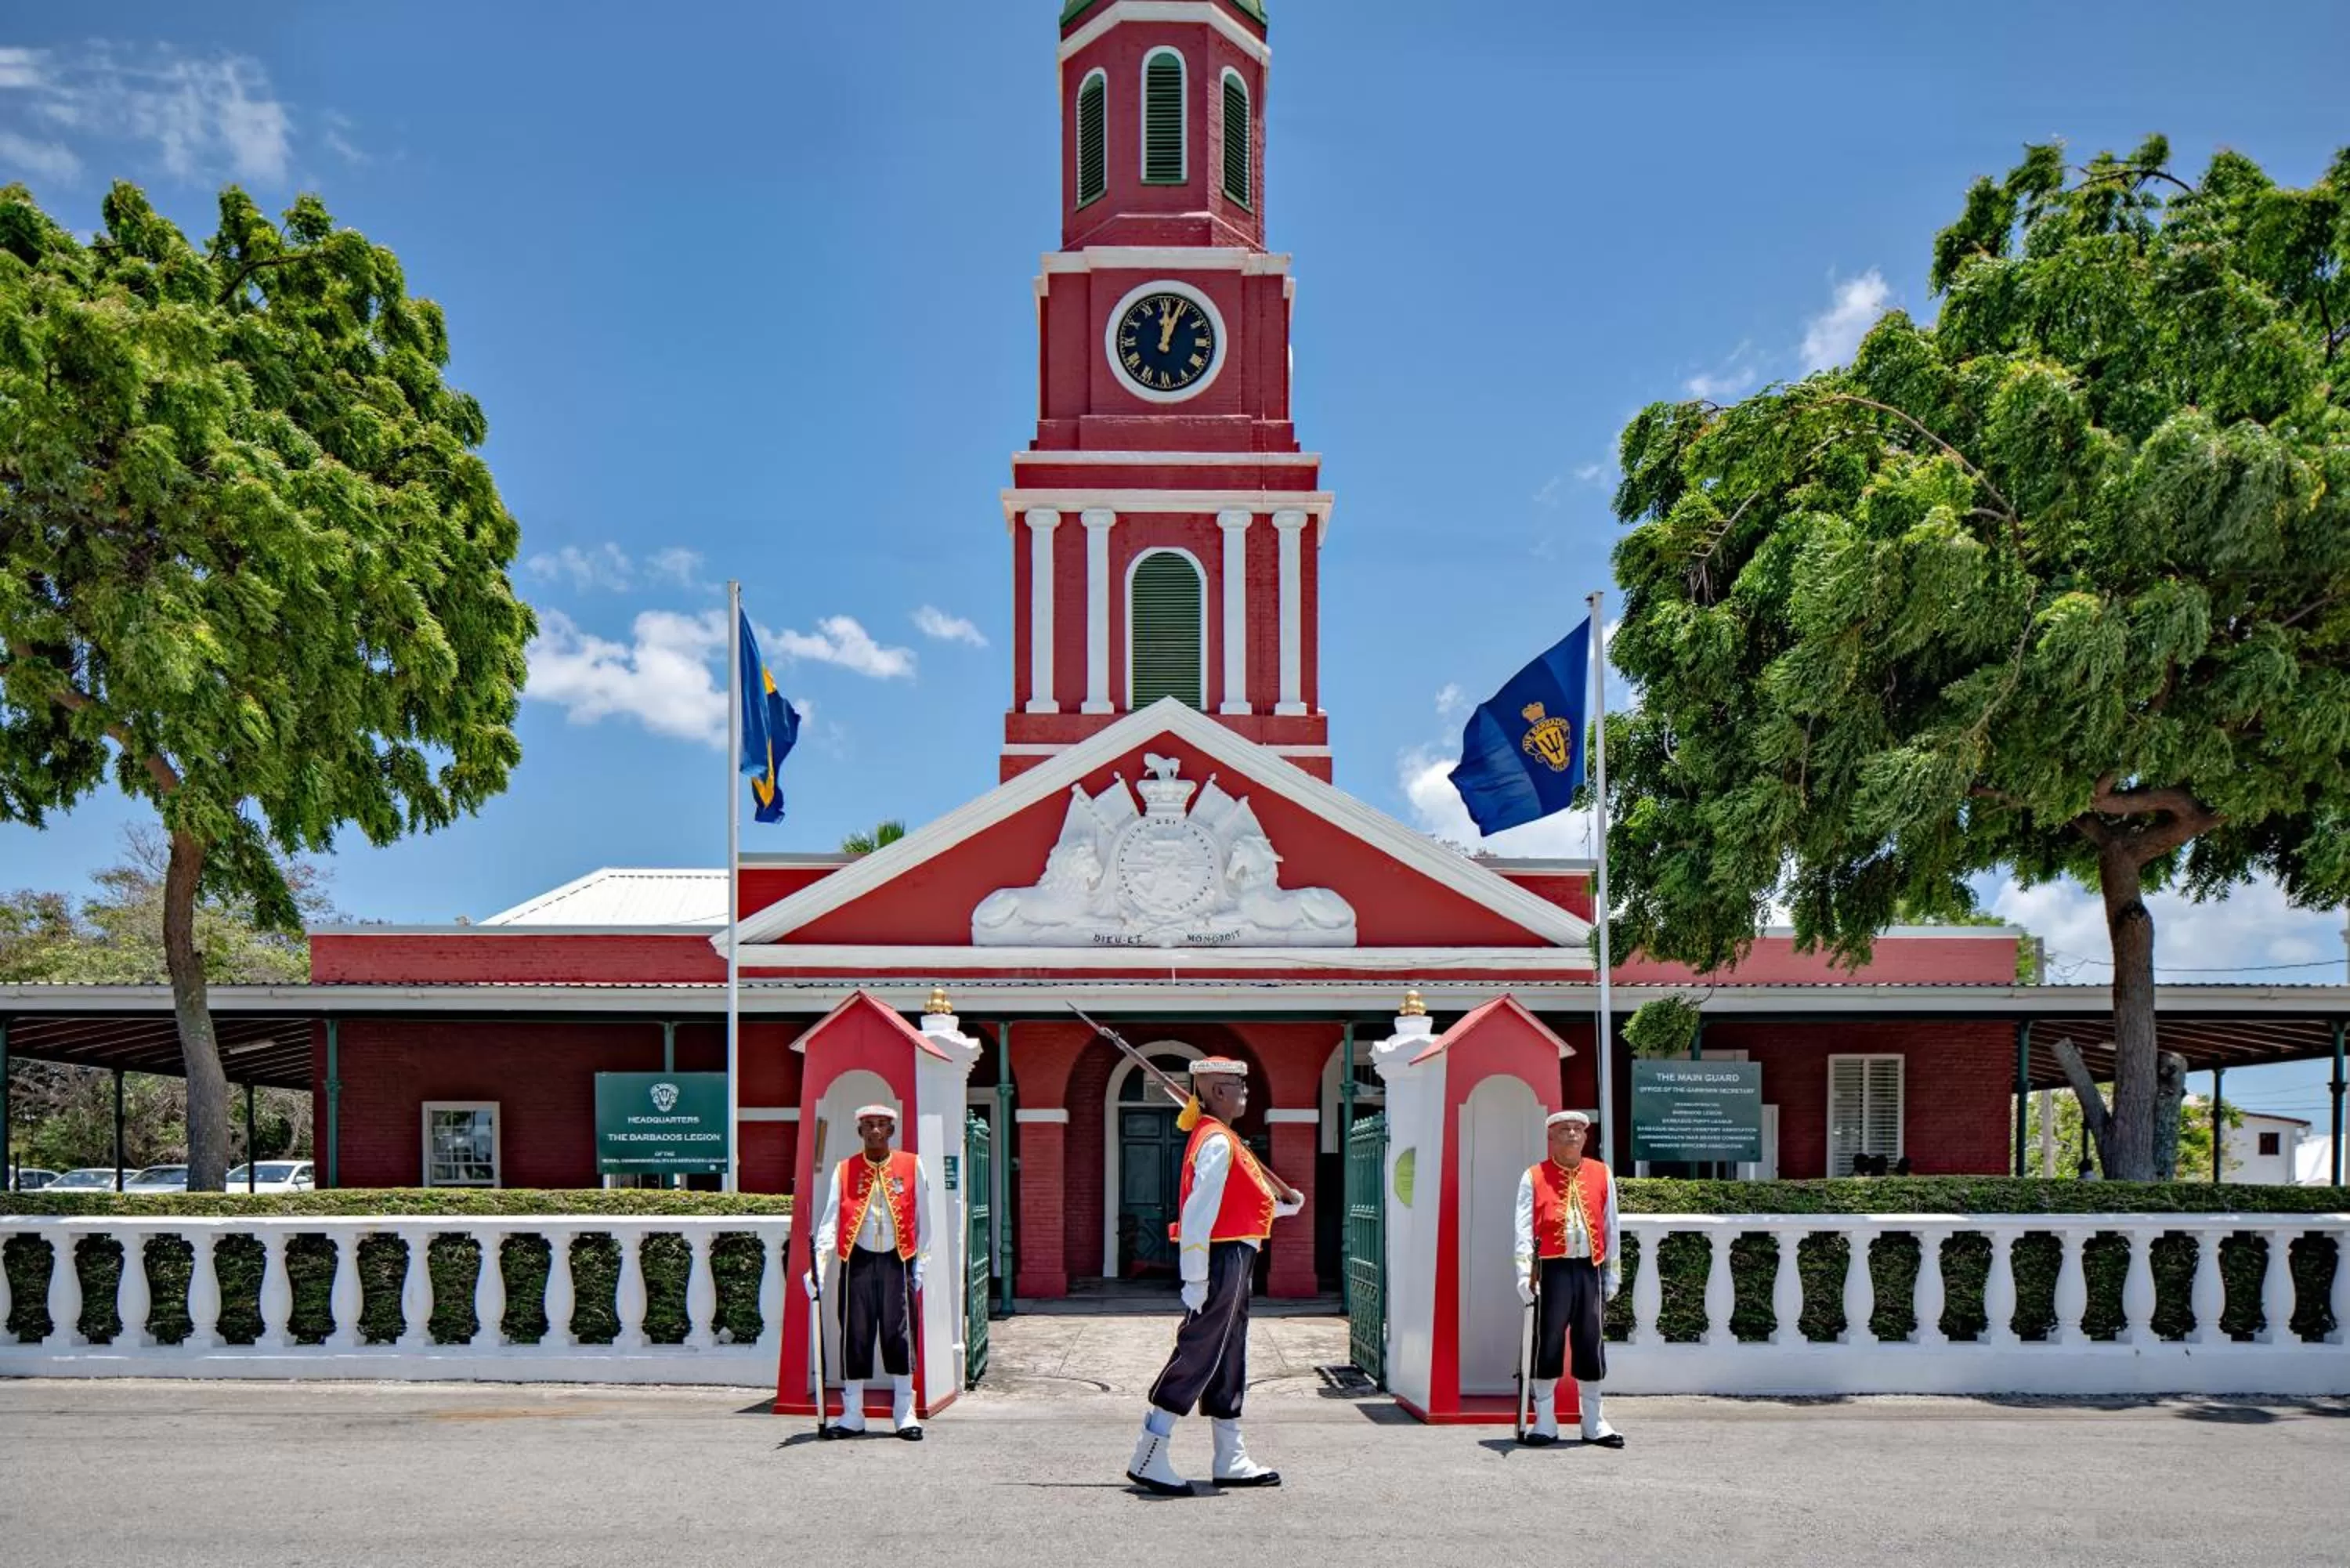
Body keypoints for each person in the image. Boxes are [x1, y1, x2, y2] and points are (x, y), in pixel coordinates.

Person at [1126, 1057, 1303, 1495]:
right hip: (1221, 1259)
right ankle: (1149, 1452)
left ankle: (1230, 1456)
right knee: (1201, 1349)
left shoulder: (1224, 1139)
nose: (1245, 1093)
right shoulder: (1218, 1142)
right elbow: (1198, 1214)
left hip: (1237, 1255)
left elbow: (1239, 1206)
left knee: (1227, 1353)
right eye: (1238, 1086)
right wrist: (1195, 1278)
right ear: (1218, 1092)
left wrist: (1284, 1206)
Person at [804, 1104, 931, 1440]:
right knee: (855, 1335)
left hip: (897, 1259)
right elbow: (831, 1217)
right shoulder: (844, 1169)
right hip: (856, 1259)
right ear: (859, 1130)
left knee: (900, 1335)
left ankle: (905, 1413)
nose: (875, 1131)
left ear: (891, 1130)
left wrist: (922, 1265)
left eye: (882, 1125)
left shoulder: (912, 1164)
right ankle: (852, 1414)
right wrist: (819, 1265)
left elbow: (924, 1220)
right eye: (869, 1125)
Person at [1512, 1108, 1624, 1448]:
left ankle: (1594, 1421)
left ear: (1586, 1137)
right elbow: (1522, 1228)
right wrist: (1523, 1274)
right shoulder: (1534, 1176)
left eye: (1578, 1129)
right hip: (1550, 1270)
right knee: (1548, 1342)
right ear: (1551, 1136)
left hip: (1590, 1268)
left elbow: (1611, 1227)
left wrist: (1612, 1274)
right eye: (1565, 1130)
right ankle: (1545, 1420)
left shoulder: (1601, 1174)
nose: (1572, 1134)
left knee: (1591, 1342)